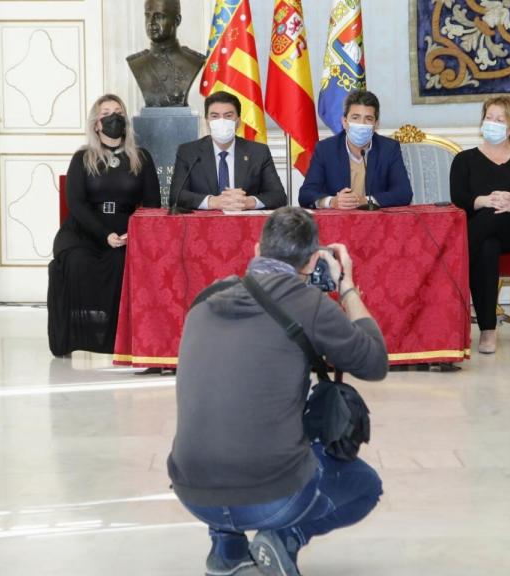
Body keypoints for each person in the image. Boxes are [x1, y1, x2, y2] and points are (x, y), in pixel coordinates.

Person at [168, 207, 388, 576]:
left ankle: (227, 549)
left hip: (192, 491)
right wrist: (347, 286)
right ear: (315, 260)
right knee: (364, 485)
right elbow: (374, 361)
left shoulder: (205, 300)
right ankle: (286, 536)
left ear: (256, 251)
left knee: (232, 418)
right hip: (268, 497)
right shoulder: (309, 303)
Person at [48, 94, 161, 356]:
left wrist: (134, 234)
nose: (113, 117)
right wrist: (105, 234)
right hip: (84, 231)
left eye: (118, 112)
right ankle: (74, 339)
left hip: (125, 231)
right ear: (96, 124)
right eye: (106, 113)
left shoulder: (141, 158)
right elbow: (75, 203)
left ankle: (116, 340)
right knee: (75, 262)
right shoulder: (83, 158)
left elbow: (153, 205)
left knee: (120, 262)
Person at [450, 95, 510, 354]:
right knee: (488, 247)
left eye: (499, 120)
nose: (492, 123)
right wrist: (484, 200)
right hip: (484, 234)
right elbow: (458, 198)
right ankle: (487, 331)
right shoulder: (464, 160)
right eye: (488, 118)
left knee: (497, 215)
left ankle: (451, 256)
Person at [170, 91, 286, 211]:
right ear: (207, 121)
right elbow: (176, 196)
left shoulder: (258, 152)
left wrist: (248, 202)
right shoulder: (189, 152)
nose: (222, 121)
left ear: (238, 121)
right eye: (215, 116)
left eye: (228, 116)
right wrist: (212, 202)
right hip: (203, 226)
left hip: (245, 225)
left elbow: (279, 196)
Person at [298, 90, 413, 209]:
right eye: (355, 117)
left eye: (368, 119)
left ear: (376, 124)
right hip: (338, 223)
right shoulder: (325, 149)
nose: (361, 124)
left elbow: (404, 193)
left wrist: (367, 200)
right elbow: (305, 195)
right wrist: (332, 202)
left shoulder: (389, 148)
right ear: (344, 122)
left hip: (377, 222)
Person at [126, 0, 204, 108]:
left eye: (159, 16)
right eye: (147, 16)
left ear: (177, 20)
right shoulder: (137, 63)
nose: (151, 22)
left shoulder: (194, 61)